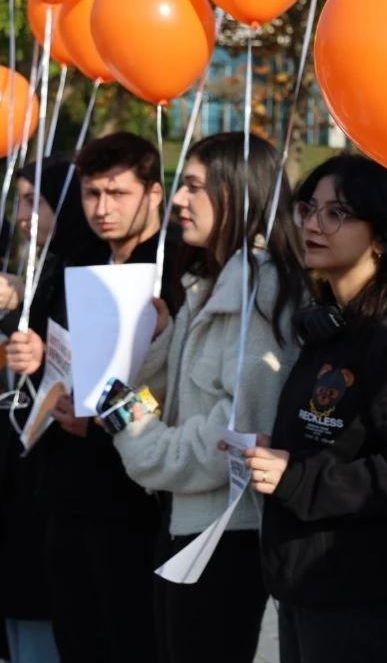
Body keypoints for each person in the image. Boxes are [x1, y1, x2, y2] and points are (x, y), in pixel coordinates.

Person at [246, 154, 387, 663]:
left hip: (363, 594)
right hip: (307, 585)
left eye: (337, 212)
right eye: (309, 207)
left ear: (381, 234)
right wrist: (279, 458)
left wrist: (298, 477)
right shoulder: (332, 327)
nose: (312, 223)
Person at [104, 132, 308, 663]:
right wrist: (157, 345)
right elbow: (175, 397)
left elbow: (233, 434)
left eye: (195, 187)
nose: (177, 200)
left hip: (224, 533)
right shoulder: (208, 284)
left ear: (238, 193)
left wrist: (131, 428)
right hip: (183, 518)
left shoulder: (261, 294)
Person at [6, 131, 181, 663]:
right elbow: (56, 354)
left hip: (138, 497)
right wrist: (38, 357)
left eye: (117, 193)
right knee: (76, 633)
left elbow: (182, 390)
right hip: (64, 484)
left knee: (130, 636)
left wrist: (111, 417)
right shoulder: (77, 259)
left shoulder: (173, 273)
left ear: (152, 193)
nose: (102, 208)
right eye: (91, 194)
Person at [0, 157, 107, 663]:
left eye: (33, 200)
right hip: (29, 466)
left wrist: (40, 355)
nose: (23, 214)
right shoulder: (47, 265)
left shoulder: (87, 268)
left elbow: (93, 373)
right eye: (20, 200)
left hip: (66, 472)